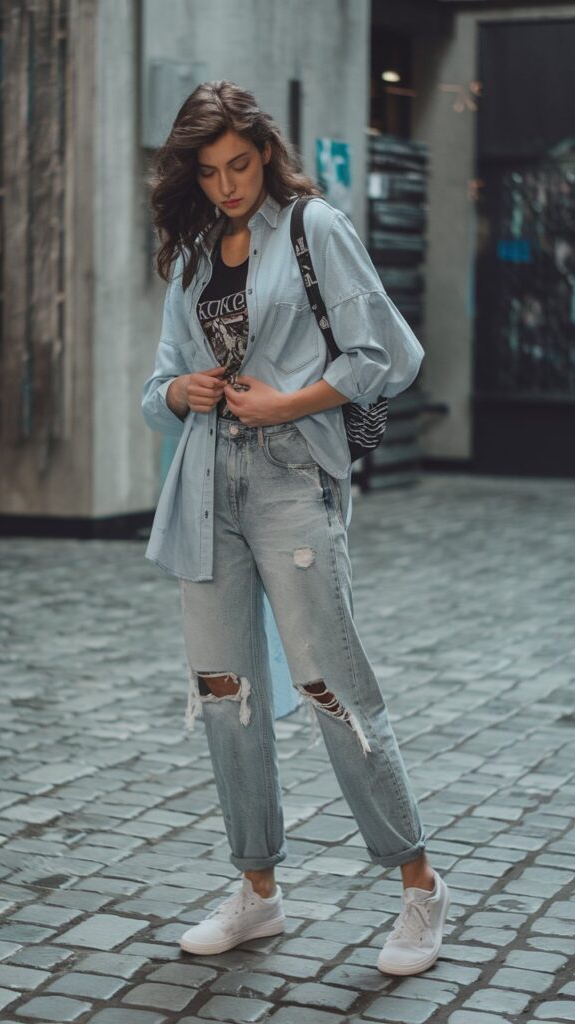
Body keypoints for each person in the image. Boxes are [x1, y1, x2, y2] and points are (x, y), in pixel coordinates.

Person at [141, 80, 451, 977]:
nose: (228, 185)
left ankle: (420, 886)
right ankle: (258, 891)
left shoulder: (315, 228)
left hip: (288, 485)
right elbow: (156, 388)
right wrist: (179, 391)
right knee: (225, 699)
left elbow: (386, 355)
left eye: (241, 165)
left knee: (331, 690)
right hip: (205, 489)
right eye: (210, 172)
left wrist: (286, 403)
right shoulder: (195, 254)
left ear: (266, 155)